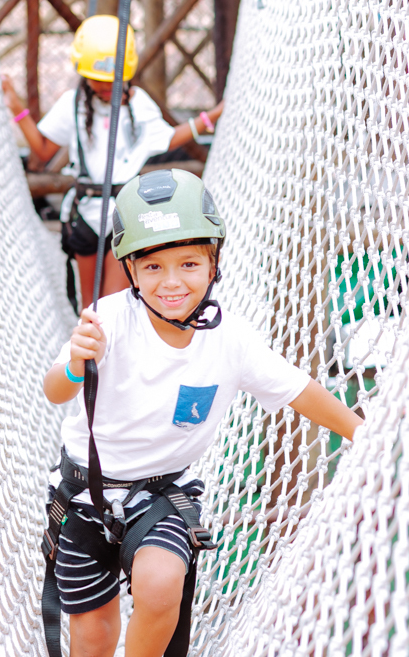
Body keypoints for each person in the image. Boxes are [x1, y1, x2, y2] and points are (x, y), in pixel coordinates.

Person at [40, 169, 364, 657]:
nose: (172, 282)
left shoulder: (230, 340)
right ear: (130, 271)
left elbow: (300, 390)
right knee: (91, 628)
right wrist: (78, 362)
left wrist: (364, 432)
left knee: (162, 581)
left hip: (160, 492)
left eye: (189, 263)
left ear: (214, 265)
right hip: (84, 492)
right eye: (152, 268)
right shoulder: (107, 320)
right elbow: (55, 391)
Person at [2, 15, 225, 312]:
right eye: (98, 79)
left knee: (108, 304)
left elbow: (168, 138)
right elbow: (42, 151)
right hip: (85, 212)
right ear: (83, 72)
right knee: (89, 307)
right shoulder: (74, 105)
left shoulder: (138, 104)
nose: (106, 86)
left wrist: (210, 117)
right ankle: (89, 355)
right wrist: (18, 109)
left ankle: (110, 354)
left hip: (123, 212)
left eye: (113, 80)